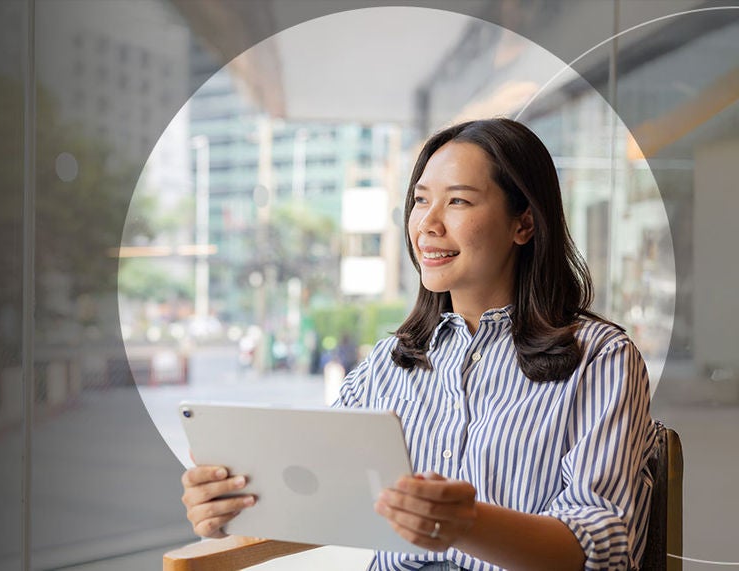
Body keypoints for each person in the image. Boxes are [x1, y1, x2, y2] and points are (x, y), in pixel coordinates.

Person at [179, 118, 653, 571]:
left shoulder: (601, 358)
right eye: (420, 200)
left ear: (523, 224)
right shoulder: (387, 365)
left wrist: (465, 525)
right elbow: (328, 500)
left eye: (459, 202)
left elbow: (604, 551)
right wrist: (235, 508)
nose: (427, 223)